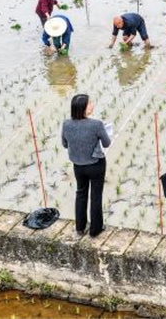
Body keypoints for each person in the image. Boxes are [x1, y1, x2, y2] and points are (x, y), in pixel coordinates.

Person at [62, 94, 110, 237]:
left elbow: (65, 144)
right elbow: (107, 143)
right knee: (96, 196)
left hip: (78, 165)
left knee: (81, 193)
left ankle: (80, 227)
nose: (92, 105)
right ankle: (95, 229)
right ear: (83, 107)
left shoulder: (66, 124)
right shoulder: (96, 124)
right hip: (96, 164)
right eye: (90, 103)